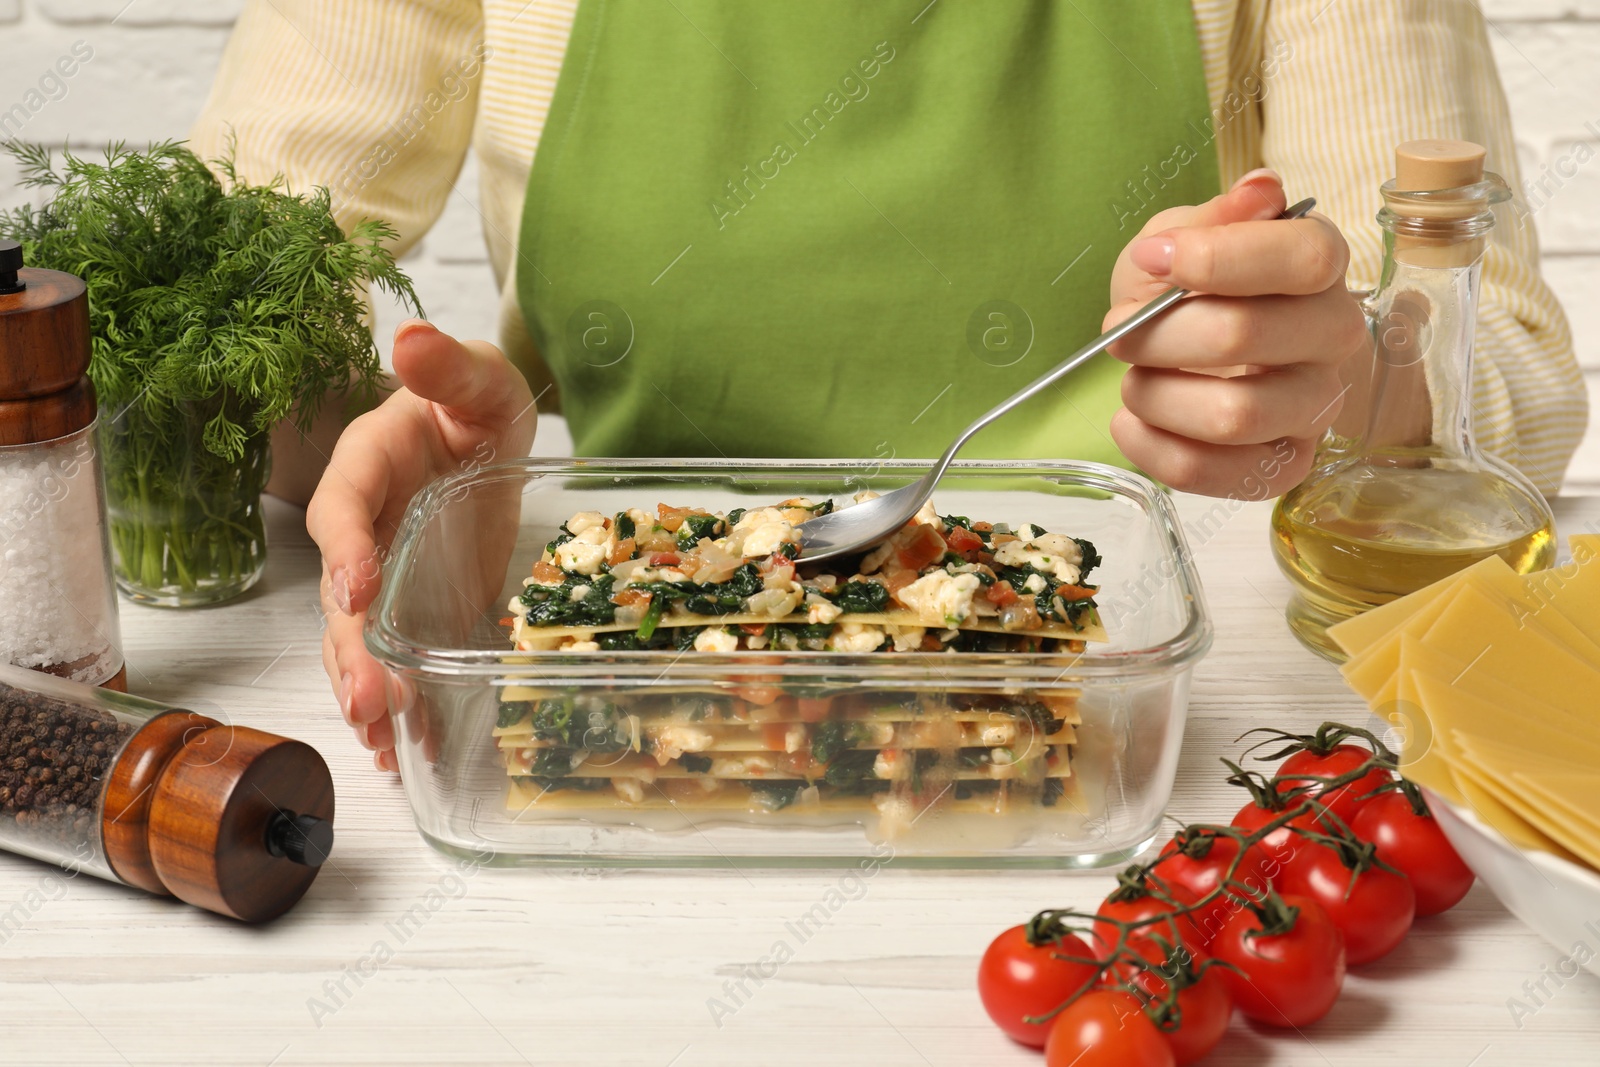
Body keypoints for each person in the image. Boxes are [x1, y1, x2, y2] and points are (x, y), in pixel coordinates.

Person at [189, 1, 1586, 771]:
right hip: (606, 674)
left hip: (1144, 715)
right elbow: (211, 320)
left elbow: (1512, 379)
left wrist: (1352, 388)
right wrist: (402, 457)